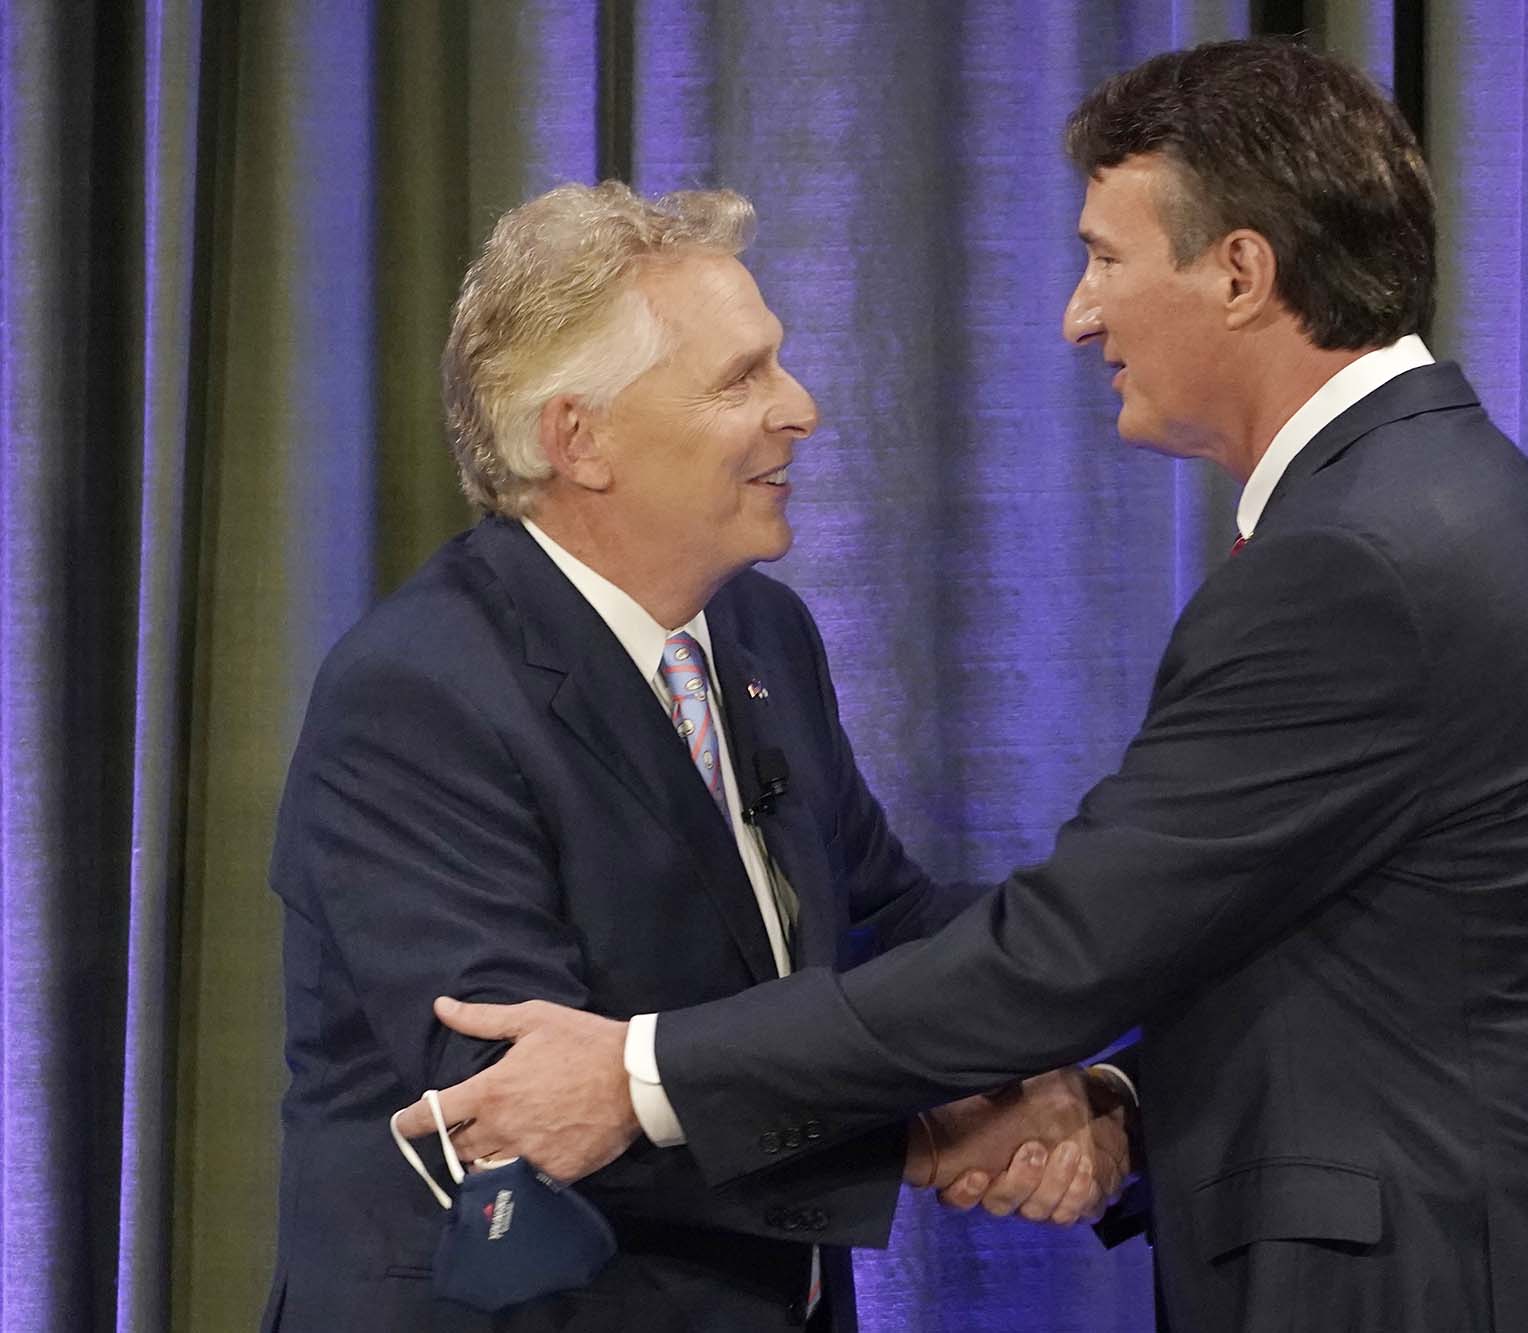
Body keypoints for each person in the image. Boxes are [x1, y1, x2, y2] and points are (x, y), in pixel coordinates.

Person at [406, 40, 1528, 1331]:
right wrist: (1113, 1103)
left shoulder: (1352, 564)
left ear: (1241, 272)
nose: (1079, 315)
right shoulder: (1453, 503)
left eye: (1105, 259)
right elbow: (1310, 965)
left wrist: (638, 1073)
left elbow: (1065, 951)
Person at [264, 181, 1123, 1333]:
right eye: (740, 378)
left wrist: (1101, 994)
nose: (802, 407)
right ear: (580, 439)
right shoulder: (420, 692)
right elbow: (518, 1109)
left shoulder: (763, 632)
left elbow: (879, 922)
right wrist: (918, 1137)